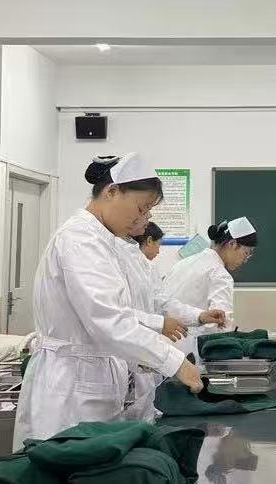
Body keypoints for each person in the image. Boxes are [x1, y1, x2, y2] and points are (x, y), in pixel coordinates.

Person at [13, 153, 203, 448]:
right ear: (112, 191)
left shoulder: (105, 241)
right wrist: (173, 361)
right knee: (71, 468)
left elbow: (122, 313)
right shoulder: (80, 240)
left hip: (91, 382)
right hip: (70, 391)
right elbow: (110, 320)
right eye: (140, 208)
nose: (142, 219)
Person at [119, 220, 227, 421]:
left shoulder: (145, 266)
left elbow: (164, 303)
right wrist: (160, 324)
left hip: (146, 356)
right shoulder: (113, 258)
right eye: (143, 209)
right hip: (123, 356)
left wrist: (200, 316)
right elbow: (114, 314)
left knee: (146, 416)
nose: (147, 215)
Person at [159, 217, 257, 359]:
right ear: (232, 244)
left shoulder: (184, 263)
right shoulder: (220, 274)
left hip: (160, 344)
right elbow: (219, 324)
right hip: (187, 351)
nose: (245, 260)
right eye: (246, 253)